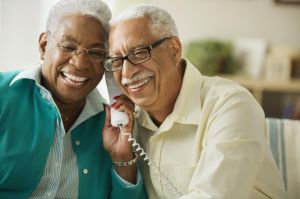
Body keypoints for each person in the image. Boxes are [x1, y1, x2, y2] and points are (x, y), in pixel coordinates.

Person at [103, 4, 288, 199]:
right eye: (116, 61)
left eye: (139, 52)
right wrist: (123, 157)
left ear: (174, 50)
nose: (126, 72)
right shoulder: (129, 123)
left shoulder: (231, 104)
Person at [0, 0, 147, 198]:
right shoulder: (4, 95)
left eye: (96, 53)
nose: (79, 63)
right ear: (44, 46)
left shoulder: (112, 123)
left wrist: (122, 158)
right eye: (68, 46)